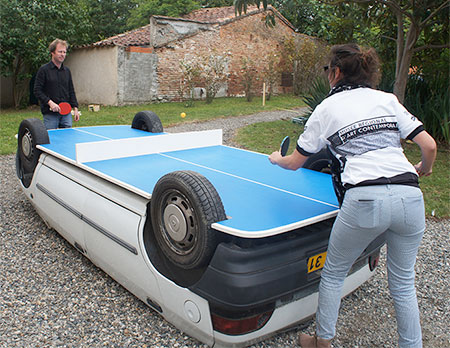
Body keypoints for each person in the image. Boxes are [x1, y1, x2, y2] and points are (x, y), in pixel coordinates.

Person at [269, 43, 436, 348]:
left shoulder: (327, 108)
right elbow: (430, 147)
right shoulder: (388, 100)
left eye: (327, 70)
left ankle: (322, 342)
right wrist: (423, 169)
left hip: (365, 199)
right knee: (403, 283)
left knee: (333, 273)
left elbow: (295, 162)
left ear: (335, 72)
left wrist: (275, 158)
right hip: (411, 197)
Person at [34, 39, 80, 130]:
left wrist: (75, 108)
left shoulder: (67, 71)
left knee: (67, 139)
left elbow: (71, 90)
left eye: (64, 52)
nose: (62, 54)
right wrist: (50, 102)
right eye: (60, 52)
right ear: (52, 52)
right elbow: (37, 90)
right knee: (52, 140)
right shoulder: (44, 70)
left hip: (66, 114)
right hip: (50, 114)